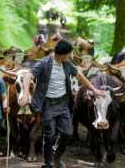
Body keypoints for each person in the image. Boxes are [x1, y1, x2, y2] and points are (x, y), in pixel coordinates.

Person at [19, 40, 106, 168]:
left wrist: (94, 89)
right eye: (70, 54)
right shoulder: (44, 64)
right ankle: (48, 163)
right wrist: (26, 94)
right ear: (62, 55)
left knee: (66, 133)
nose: (71, 56)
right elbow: (28, 76)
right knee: (49, 135)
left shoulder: (66, 63)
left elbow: (79, 75)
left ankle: (57, 157)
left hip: (63, 103)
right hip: (48, 104)